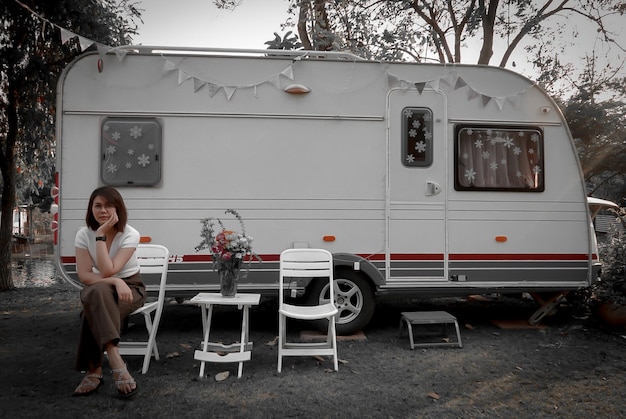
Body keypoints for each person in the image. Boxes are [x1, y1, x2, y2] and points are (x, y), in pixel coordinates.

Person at [72, 186, 145, 399]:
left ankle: (94, 372)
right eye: (97, 206)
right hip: (103, 286)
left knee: (91, 309)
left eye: (108, 205)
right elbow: (85, 275)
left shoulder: (130, 234)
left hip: (131, 288)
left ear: (117, 208)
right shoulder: (83, 234)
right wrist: (114, 281)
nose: (102, 210)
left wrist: (101, 235)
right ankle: (115, 360)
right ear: (90, 209)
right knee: (98, 292)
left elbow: (107, 269)